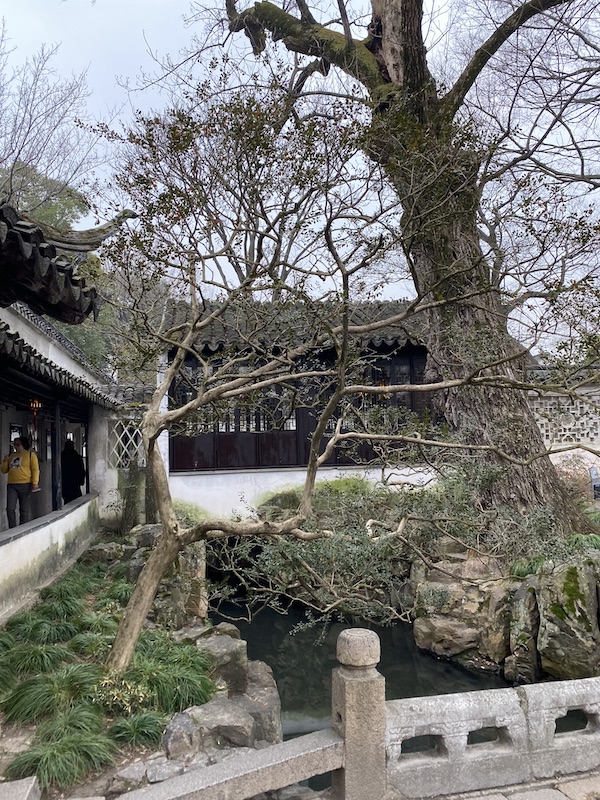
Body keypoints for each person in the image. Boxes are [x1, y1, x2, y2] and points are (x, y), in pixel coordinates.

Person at [1, 436, 40, 528]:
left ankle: (23, 528)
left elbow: (35, 469)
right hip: (12, 485)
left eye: (18, 444)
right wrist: (5, 461)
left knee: (24, 509)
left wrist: (35, 482)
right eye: (14, 444)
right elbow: (4, 470)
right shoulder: (11, 456)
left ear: (23, 445)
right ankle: (13, 528)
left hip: (25, 484)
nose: (15, 446)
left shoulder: (30, 455)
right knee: (10, 509)